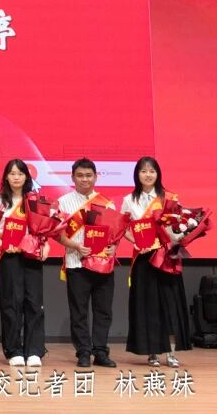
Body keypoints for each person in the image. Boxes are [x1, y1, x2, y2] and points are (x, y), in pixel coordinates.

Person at [123, 156, 190, 367]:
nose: (148, 175)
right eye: (143, 171)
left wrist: (179, 235)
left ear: (158, 174)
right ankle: (152, 352)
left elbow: (180, 226)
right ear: (137, 174)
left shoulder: (169, 198)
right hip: (144, 259)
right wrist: (136, 242)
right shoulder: (129, 200)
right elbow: (122, 228)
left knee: (170, 305)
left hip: (166, 258)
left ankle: (171, 353)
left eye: (152, 171)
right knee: (148, 306)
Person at [57, 157, 118, 369]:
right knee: (79, 311)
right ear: (73, 177)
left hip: (103, 264)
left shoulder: (107, 203)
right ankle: (83, 352)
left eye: (89, 175)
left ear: (96, 177)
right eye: (80, 175)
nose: (85, 179)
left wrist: (114, 247)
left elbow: (114, 235)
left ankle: (100, 351)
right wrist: (75, 246)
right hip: (76, 263)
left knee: (103, 311)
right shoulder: (63, 202)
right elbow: (58, 235)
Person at [0, 159, 46, 368]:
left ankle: (34, 351)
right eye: (12, 173)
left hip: (31, 256)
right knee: (11, 303)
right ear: (6, 176)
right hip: (9, 256)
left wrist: (45, 245)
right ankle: (13, 350)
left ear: (26, 177)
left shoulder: (35, 200)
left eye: (20, 173)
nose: (16, 177)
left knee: (34, 303)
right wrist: (2, 244)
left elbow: (43, 228)